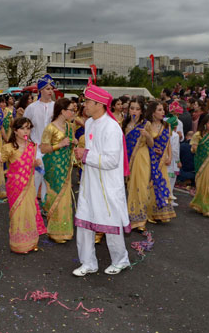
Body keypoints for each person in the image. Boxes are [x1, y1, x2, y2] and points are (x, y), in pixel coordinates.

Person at [73, 83, 131, 277]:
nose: (84, 105)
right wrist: (81, 155)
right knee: (84, 221)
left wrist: (85, 154)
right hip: (90, 182)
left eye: (88, 101)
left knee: (110, 223)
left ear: (99, 104)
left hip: (107, 185)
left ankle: (120, 260)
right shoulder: (89, 123)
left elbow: (112, 161)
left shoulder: (112, 128)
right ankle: (88, 263)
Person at [1, 117, 47, 253]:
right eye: (22, 128)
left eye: (28, 128)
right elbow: (0, 162)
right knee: (18, 214)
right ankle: (18, 245)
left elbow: (28, 164)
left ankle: (31, 242)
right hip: (15, 186)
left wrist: (35, 163)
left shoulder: (32, 146)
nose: (26, 131)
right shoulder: (8, 147)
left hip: (28, 184)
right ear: (15, 131)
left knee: (29, 212)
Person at [41, 98, 78, 243]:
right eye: (71, 110)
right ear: (63, 111)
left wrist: (73, 143)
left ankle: (65, 231)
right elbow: (43, 148)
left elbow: (71, 143)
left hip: (66, 166)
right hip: (54, 166)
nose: (73, 112)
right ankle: (54, 232)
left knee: (65, 198)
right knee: (56, 195)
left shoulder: (70, 127)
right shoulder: (50, 128)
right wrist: (59, 145)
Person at [24, 74, 56, 203]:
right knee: (34, 179)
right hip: (35, 148)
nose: (50, 91)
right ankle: (31, 208)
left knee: (49, 180)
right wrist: (26, 143)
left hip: (51, 149)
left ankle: (46, 205)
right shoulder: (31, 108)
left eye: (52, 89)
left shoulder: (56, 107)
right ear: (41, 90)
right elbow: (24, 128)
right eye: (48, 89)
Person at [145, 101, 176, 223]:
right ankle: (149, 212)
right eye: (159, 110)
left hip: (161, 160)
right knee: (150, 185)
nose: (163, 112)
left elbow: (168, 142)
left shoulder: (166, 126)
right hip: (149, 159)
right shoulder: (147, 125)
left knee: (160, 184)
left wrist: (169, 156)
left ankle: (160, 213)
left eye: (163, 110)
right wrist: (152, 150)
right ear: (153, 113)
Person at [123, 97, 151, 231]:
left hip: (142, 158)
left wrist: (147, 135)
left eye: (137, 109)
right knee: (130, 187)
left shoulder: (146, 124)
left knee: (142, 187)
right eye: (132, 108)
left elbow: (151, 144)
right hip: (128, 159)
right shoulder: (124, 124)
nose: (134, 111)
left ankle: (141, 220)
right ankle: (130, 216)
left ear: (141, 111)